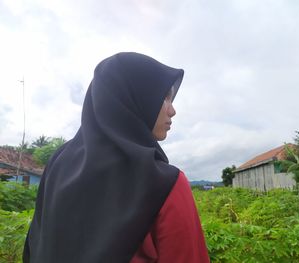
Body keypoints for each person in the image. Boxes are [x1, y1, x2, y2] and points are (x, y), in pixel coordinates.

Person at [23, 52, 210, 263]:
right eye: (164, 97)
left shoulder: (58, 165)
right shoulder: (164, 183)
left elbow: (35, 246)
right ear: (136, 97)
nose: (172, 110)